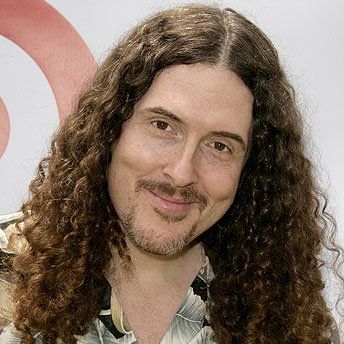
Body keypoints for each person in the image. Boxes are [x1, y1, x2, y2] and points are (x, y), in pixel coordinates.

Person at [0, 3, 342, 344]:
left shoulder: (288, 316)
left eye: (220, 146)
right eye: (163, 126)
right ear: (110, 128)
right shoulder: (7, 269)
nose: (181, 174)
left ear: (251, 169)